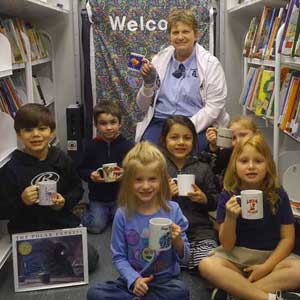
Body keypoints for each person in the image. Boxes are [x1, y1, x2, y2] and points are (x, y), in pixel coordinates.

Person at [199, 133, 300, 300]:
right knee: (207, 265)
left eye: (258, 161)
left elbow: (288, 239)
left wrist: (266, 267)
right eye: (244, 161)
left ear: (268, 164)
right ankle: (267, 297)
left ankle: (235, 293)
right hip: (236, 257)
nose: (251, 166)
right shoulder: (228, 195)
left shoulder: (279, 194)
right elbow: (227, 244)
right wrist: (230, 218)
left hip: (271, 258)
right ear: (234, 165)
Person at [0, 103, 98, 272]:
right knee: (34, 268)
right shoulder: (12, 168)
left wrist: (64, 202)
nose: (36, 135)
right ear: (19, 134)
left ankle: (53, 260)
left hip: (61, 224)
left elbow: (77, 189)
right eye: (28, 130)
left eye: (42, 128)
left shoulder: (62, 159)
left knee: (89, 260)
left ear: (51, 132)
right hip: (29, 230)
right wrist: (21, 201)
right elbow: (3, 210)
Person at [87, 142, 190, 300]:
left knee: (180, 291)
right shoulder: (122, 214)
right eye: (138, 180)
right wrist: (134, 279)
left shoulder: (173, 210)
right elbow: (118, 256)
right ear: (128, 182)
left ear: (162, 180)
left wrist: (177, 242)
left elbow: (185, 257)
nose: (146, 186)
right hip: (131, 280)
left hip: (164, 281)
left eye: (152, 179)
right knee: (95, 293)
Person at [135, 8, 229, 151]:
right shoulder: (159, 60)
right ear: (170, 36)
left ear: (196, 35)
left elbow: (214, 107)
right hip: (161, 122)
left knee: (192, 160)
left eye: (185, 31)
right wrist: (147, 84)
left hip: (195, 123)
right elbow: (142, 106)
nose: (180, 37)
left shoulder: (211, 64)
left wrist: (185, 129)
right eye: (175, 32)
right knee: (148, 157)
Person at [159, 115, 218, 271]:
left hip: (199, 231)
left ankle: (187, 262)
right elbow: (142, 201)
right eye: (174, 137)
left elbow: (216, 200)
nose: (180, 142)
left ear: (194, 141)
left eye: (187, 138)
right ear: (164, 140)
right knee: (152, 257)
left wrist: (205, 199)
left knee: (211, 261)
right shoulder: (157, 167)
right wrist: (164, 197)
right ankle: (184, 261)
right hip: (167, 230)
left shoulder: (202, 167)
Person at [78, 100, 133, 233]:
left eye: (113, 122)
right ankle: (82, 211)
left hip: (121, 197)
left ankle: (109, 214)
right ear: (96, 125)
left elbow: (136, 171)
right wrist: (91, 175)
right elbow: (80, 169)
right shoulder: (90, 146)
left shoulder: (128, 146)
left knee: (122, 225)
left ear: (120, 123)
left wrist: (126, 174)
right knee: (96, 227)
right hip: (98, 198)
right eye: (103, 123)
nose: (109, 127)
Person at [205, 115, 259, 190]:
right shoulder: (227, 153)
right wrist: (213, 147)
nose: (238, 141)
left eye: (243, 135)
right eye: (233, 138)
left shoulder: (262, 153)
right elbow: (213, 168)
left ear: (256, 133)